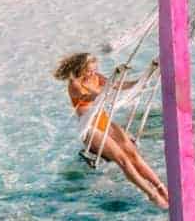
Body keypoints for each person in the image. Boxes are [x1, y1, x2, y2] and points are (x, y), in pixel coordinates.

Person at [55, 51, 170, 208]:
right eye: (89, 70)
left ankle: (161, 188)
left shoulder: (96, 77)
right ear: (80, 68)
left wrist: (142, 81)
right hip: (89, 126)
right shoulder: (75, 84)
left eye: (94, 69)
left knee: (133, 155)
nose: (92, 73)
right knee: (122, 159)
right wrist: (106, 89)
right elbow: (93, 96)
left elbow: (118, 86)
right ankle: (152, 195)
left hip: (103, 121)